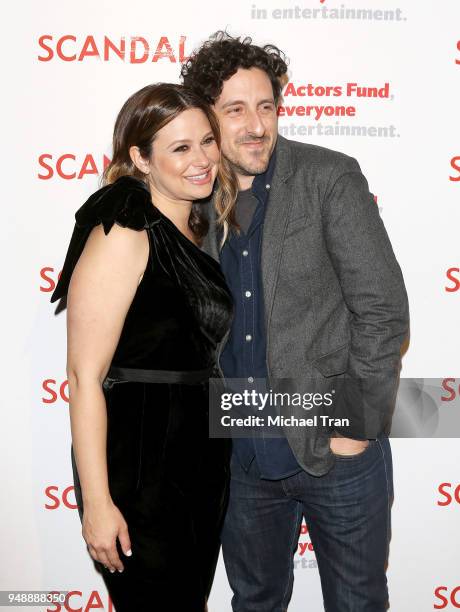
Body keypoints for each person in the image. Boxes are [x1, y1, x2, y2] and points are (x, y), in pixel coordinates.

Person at [181, 32, 410, 611]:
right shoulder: (189, 200)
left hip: (336, 450)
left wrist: (355, 427)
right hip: (241, 455)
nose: (257, 125)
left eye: (267, 106)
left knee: (357, 602)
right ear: (207, 117)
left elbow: (382, 309)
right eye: (236, 110)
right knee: (255, 602)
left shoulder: (328, 177)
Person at [50, 83, 236, 612]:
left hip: (198, 460)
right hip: (141, 463)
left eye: (206, 141)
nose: (201, 159)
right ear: (140, 157)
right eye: (180, 148)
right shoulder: (125, 233)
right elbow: (85, 377)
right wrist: (98, 505)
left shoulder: (200, 225)